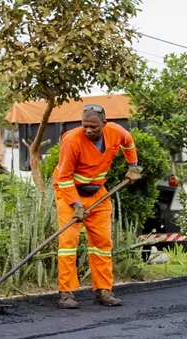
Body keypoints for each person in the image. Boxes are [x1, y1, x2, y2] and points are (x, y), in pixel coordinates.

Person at [52, 104, 143, 309]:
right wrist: (76, 204)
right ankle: (66, 293)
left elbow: (128, 143)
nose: (88, 130)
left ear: (105, 124)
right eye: (85, 126)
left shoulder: (116, 132)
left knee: (102, 243)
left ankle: (104, 290)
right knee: (68, 243)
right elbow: (64, 177)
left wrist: (134, 166)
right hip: (70, 192)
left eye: (93, 126)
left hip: (98, 193)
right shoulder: (72, 140)